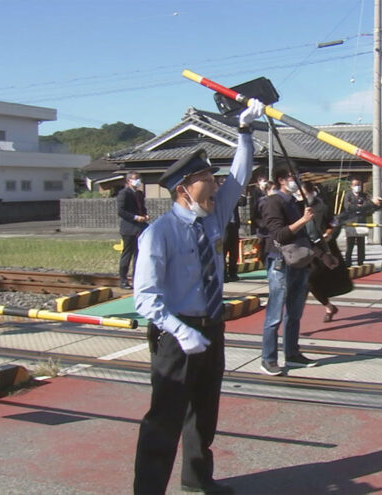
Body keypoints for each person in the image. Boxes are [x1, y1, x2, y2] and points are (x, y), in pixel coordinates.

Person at [132, 98, 264, 495]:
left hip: (211, 326)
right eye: (208, 178)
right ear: (183, 189)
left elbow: (239, 179)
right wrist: (178, 328)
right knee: (165, 419)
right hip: (176, 334)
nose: (218, 186)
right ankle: (148, 490)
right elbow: (146, 297)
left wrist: (245, 133)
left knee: (204, 414)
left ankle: (196, 479)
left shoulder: (211, 218)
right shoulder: (159, 233)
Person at [259, 165, 318, 376]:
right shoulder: (272, 202)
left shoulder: (293, 202)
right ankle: (268, 358)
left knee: (294, 312)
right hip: (280, 262)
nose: (298, 181)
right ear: (282, 180)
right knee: (275, 313)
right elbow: (278, 235)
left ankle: (292, 353)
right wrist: (303, 220)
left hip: (298, 262)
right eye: (294, 177)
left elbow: (302, 234)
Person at [302, 181, 350, 322]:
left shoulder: (322, 207)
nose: (300, 196)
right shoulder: (296, 207)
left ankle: (296, 315)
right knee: (309, 282)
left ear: (311, 193)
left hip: (323, 250)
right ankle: (328, 306)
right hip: (305, 250)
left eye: (303, 193)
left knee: (311, 279)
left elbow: (334, 224)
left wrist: (329, 233)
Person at [116, 170, 149, 289]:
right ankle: (123, 280)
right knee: (127, 254)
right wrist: (135, 217)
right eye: (136, 179)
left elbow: (142, 207)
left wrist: (145, 215)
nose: (138, 181)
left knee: (139, 255)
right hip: (129, 228)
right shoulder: (124, 193)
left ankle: (137, 279)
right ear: (129, 180)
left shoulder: (139, 193)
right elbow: (121, 211)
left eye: (139, 178)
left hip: (141, 227)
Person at [342, 177, 379, 266]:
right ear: (351, 186)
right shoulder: (348, 194)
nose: (357, 187)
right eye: (355, 185)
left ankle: (360, 261)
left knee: (361, 243)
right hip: (351, 221)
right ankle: (348, 262)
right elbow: (348, 207)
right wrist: (359, 206)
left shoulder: (364, 195)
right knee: (350, 244)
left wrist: (360, 207)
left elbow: (368, 205)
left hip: (361, 221)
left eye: (358, 185)